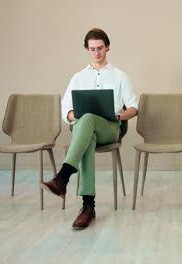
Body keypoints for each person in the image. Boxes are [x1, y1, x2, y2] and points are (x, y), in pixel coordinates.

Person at [41, 28, 138, 230]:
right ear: (87, 50)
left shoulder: (121, 76)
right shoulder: (78, 77)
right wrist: (74, 116)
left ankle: (63, 176)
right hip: (87, 130)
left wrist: (119, 115)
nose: (97, 52)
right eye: (92, 49)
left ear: (108, 47)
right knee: (86, 128)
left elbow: (134, 108)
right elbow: (66, 110)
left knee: (87, 122)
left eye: (100, 48)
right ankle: (88, 207)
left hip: (110, 128)